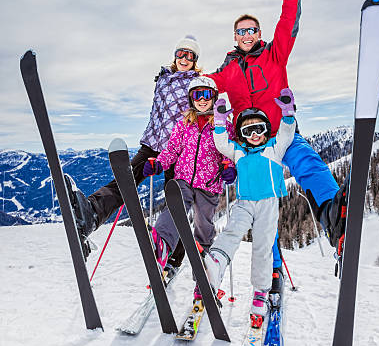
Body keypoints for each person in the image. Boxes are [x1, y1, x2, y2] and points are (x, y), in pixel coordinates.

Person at [207, 0, 347, 284]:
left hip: (281, 135)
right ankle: (270, 271)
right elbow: (205, 84)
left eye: (252, 30)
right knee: (259, 204)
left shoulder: (274, 54)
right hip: (252, 146)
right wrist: (181, 77)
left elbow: (289, 22)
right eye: (241, 31)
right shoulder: (227, 71)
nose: (247, 34)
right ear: (235, 37)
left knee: (309, 164)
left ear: (258, 33)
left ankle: (335, 219)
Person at [66, 34, 202, 267]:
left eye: (190, 55)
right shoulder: (163, 79)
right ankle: (93, 212)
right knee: (124, 181)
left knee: (175, 203)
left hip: (178, 148)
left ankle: (174, 256)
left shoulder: (197, 83)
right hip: (151, 143)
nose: (184, 58)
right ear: (175, 56)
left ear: (195, 60)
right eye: (181, 53)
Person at [204, 90, 296, 323]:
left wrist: (287, 113)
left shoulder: (274, 149)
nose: (254, 134)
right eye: (248, 131)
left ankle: (260, 292)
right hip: (244, 203)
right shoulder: (238, 151)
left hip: (268, 204)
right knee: (233, 230)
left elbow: (286, 133)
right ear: (242, 135)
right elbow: (221, 142)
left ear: (266, 131)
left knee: (263, 247)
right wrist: (221, 121)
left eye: (259, 129)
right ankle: (217, 261)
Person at [142, 76, 236, 300]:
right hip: (183, 179)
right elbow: (172, 150)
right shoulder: (184, 124)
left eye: (206, 95)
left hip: (209, 184)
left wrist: (229, 168)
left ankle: (203, 278)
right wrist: (159, 163)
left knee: (204, 227)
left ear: (213, 98)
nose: (202, 100)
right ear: (191, 99)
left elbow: (229, 152)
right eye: (197, 95)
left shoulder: (223, 124)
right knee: (175, 210)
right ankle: (163, 244)